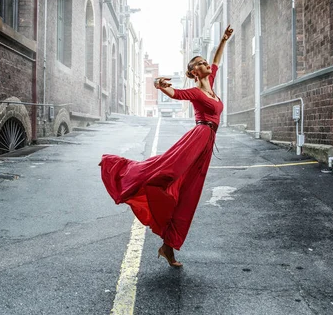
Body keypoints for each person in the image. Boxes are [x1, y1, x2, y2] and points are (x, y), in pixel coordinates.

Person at [99, 25, 234, 267]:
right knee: (167, 173)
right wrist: (161, 86)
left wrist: (223, 40)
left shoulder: (210, 83)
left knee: (189, 195)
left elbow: (216, 60)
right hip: (197, 138)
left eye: (205, 63)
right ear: (193, 72)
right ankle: (127, 176)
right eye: (200, 64)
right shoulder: (195, 91)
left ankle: (168, 247)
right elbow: (175, 93)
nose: (206, 65)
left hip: (206, 147)